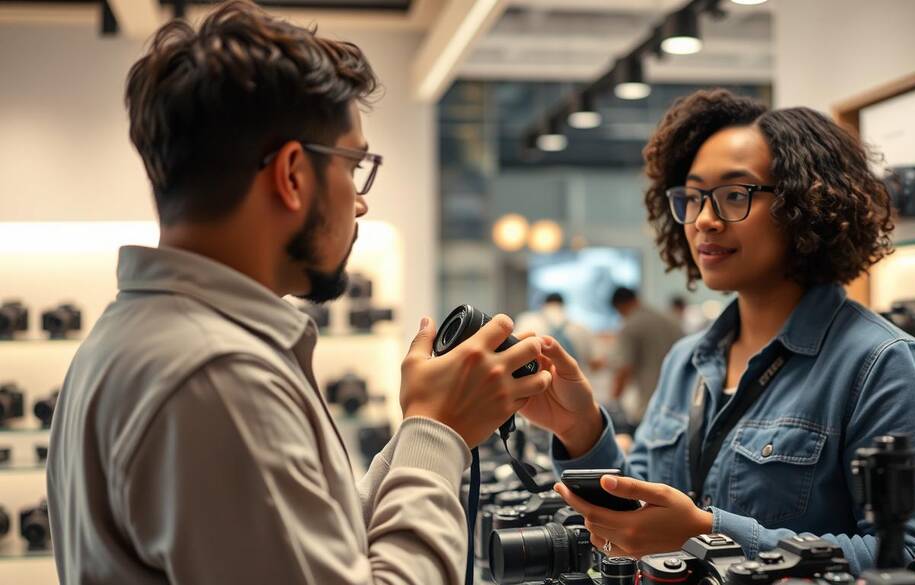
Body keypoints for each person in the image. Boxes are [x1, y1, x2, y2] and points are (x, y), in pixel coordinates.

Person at [45, 3, 550, 584]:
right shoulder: (218, 377)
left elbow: (310, 551)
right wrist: (440, 434)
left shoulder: (134, 338)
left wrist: (420, 428)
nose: (360, 201)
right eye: (354, 166)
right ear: (291, 174)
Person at [520, 89, 915, 575]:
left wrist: (708, 535)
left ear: (805, 205)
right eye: (691, 198)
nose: (705, 220)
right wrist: (578, 428)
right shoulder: (686, 360)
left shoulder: (885, 365)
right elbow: (641, 511)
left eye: (734, 195)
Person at [607, 286, 683, 423]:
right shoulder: (669, 319)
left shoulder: (630, 326)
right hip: (679, 398)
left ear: (619, 307)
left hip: (650, 403)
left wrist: (613, 402)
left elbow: (624, 368)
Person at [514, 292, 595, 369]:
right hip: (573, 381)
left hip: (535, 380)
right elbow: (595, 362)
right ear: (563, 305)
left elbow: (516, 352)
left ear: (544, 304)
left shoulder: (525, 321)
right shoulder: (582, 328)